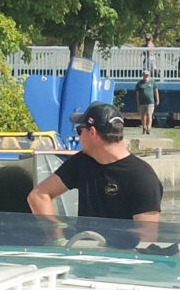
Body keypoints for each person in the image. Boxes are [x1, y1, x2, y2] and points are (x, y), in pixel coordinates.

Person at [29, 101, 161, 240]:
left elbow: (147, 236)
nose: (79, 137)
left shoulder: (142, 177)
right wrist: (58, 238)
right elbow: (38, 195)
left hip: (121, 257)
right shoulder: (81, 162)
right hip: (84, 252)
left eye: (80, 130)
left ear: (92, 132)